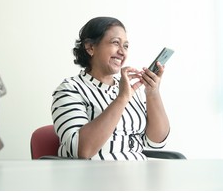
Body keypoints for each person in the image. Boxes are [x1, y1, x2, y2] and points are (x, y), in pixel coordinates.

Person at [51, 17, 170, 160]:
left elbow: (156, 142)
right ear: (90, 47)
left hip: (137, 175)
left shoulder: (129, 87)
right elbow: (82, 150)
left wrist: (152, 93)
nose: (122, 52)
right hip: (94, 179)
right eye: (115, 43)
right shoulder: (70, 89)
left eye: (125, 46)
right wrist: (122, 98)